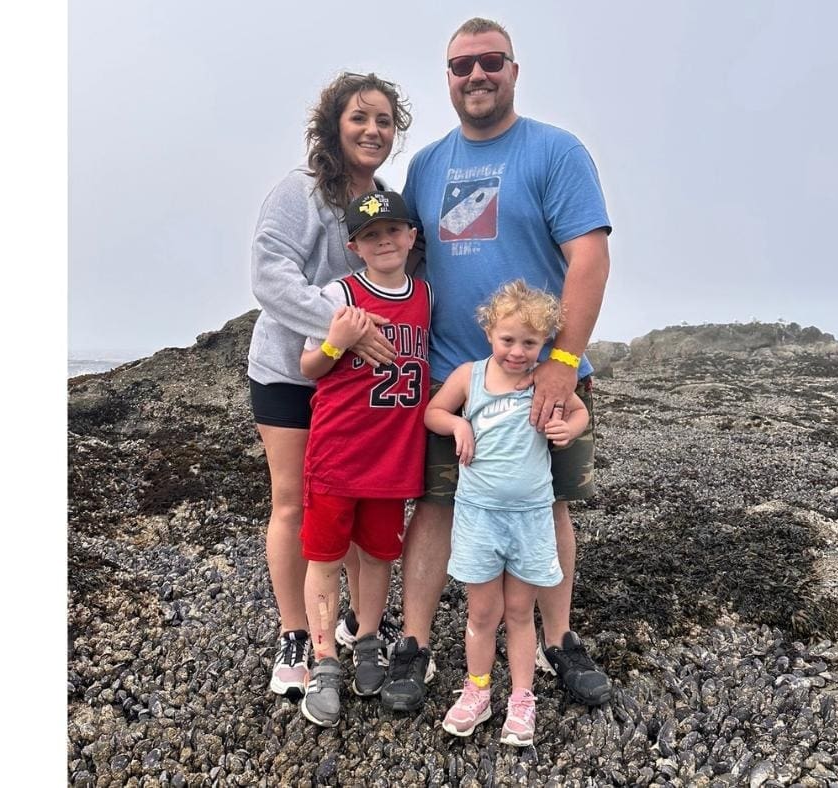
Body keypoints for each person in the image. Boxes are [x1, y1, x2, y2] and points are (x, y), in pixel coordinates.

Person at [381, 17, 613, 711]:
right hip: (456, 376)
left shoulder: (555, 152)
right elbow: (403, 261)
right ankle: (415, 645)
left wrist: (563, 361)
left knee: (551, 505)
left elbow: (590, 258)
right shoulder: (425, 165)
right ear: (448, 78)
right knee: (435, 504)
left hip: (545, 373)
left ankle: (559, 639)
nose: (476, 76)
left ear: (514, 70)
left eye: (490, 62)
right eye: (461, 66)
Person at [247, 73, 409, 700]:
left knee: (352, 497)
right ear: (334, 125)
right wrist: (344, 328)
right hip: (291, 372)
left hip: (357, 386)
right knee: (294, 502)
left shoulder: (388, 202)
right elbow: (270, 277)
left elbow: (399, 282)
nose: (373, 130)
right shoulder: (301, 192)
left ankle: (349, 623)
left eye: (385, 121)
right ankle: (295, 633)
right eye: (360, 118)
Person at [427, 280, 589, 746]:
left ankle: (522, 699)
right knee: (482, 612)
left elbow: (578, 413)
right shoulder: (469, 376)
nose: (518, 352)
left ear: (545, 344)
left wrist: (566, 429)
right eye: (508, 340)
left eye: (530, 343)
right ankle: (477, 691)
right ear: (489, 334)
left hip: (531, 516)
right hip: (478, 515)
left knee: (520, 612)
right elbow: (432, 413)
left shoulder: (546, 379)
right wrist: (457, 422)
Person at [297, 190, 431, 726]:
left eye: (394, 231)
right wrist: (337, 342)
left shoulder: (424, 294)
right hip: (337, 454)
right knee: (326, 556)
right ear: (354, 245)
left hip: (393, 458)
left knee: (378, 556)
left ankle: (369, 639)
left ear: (411, 237)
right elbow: (308, 366)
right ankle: (325, 658)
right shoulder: (340, 293)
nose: (385, 241)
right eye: (372, 235)